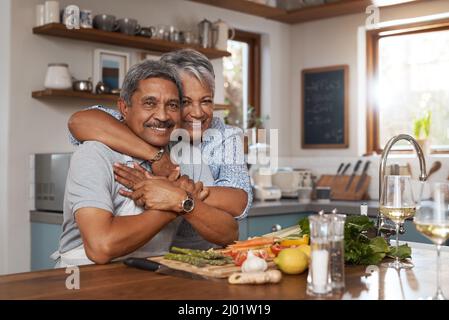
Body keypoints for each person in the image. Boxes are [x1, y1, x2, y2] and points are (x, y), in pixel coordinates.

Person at [58, 60, 239, 267]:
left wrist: (180, 199)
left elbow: (229, 232)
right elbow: (100, 247)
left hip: (150, 275)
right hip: (84, 278)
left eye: (172, 105)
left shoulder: (187, 156)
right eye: (149, 103)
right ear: (124, 108)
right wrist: (175, 204)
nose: (162, 116)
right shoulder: (94, 154)